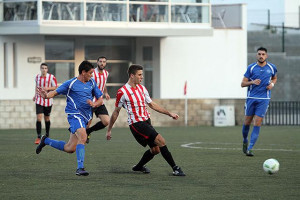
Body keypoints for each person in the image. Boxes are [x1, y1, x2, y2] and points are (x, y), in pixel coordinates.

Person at [106, 64, 185, 176]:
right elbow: (116, 112)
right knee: (161, 140)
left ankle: (138, 167)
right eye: (139, 75)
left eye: (142, 74)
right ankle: (175, 168)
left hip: (146, 121)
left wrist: (169, 113)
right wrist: (109, 130)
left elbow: (152, 104)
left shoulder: (142, 88)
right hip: (136, 124)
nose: (142, 77)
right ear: (132, 75)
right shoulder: (122, 92)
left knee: (156, 149)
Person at [35, 61, 103, 176]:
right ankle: (80, 168)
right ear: (83, 72)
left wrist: (94, 104)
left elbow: (100, 99)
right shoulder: (71, 83)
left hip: (86, 117)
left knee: (70, 148)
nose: (92, 75)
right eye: (90, 73)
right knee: (83, 136)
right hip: (74, 115)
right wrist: (46, 95)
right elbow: (55, 92)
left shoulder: (92, 82)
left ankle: (45, 140)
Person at [241, 47, 278, 156]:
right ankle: (244, 140)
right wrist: (252, 82)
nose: (261, 56)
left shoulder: (272, 67)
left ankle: (250, 148)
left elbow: (275, 78)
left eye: (263, 54)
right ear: (256, 55)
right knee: (247, 122)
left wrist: (272, 84)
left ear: (266, 56)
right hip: (251, 98)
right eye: (259, 54)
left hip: (264, 99)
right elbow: (242, 84)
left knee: (257, 122)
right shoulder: (251, 68)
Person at [86, 56, 110, 143]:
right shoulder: (92, 73)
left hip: (99, 101)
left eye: (104, 62)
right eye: (100, 61)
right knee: (87, 123)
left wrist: (106, 93)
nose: (102, 63)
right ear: (97, 62)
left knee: (106, 121)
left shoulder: (106, 73)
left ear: (106, 63)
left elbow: (104, 84)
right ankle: (84, 136)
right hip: (90, 101)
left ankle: (89, 131)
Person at [33, 63, 57, 144]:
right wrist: (34, 95)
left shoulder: (51, 77)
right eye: (42, 68)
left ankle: (47, 135)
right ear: (40, 69)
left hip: (48, 100)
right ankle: (38, 137)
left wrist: (48, 88)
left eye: (45, 68)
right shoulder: (37, 77)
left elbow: (55, 87)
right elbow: (36, 86)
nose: (44, 69)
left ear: (47, 69)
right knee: (39, 117)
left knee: (47, 118)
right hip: (39, 99)